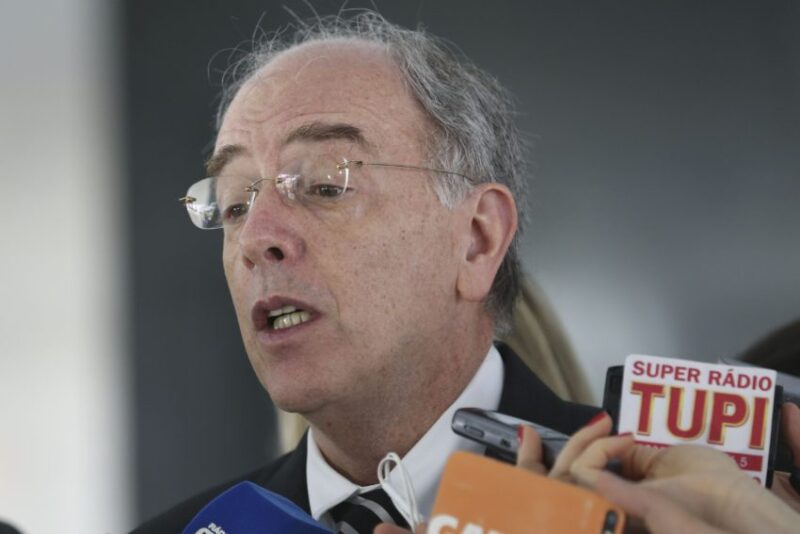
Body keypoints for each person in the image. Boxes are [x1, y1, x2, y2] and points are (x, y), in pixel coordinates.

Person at [133, 11, 599, 533]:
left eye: (324, 186)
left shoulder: (653, 501)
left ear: (476, 239)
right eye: (235, 204)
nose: (256, 238)